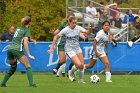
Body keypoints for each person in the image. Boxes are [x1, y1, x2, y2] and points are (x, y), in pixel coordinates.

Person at [48, 16, 92, 83]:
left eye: (75, 23)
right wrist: (52, 48)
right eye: (73, 23)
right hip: (69, 49)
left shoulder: (78, 28)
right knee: (78, 65)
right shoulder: (65, 30)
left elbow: (87, 33)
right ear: (69, 22)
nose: (74, 24)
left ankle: (80, 80)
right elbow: (56, 36)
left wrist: (90, 29)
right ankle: (71, 72)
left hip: (77, 48)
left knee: (82, 66)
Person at [0, 16, 36, 87]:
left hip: (10, 49)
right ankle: (32, 84)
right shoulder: (27, 30)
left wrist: (32, 40)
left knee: (13, 67)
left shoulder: (18, 28)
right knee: (28, 66)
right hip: (17, 49)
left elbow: (23, 38)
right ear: (30, 23)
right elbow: (25, 43)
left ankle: (3, 84)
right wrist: (29, 54)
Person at [49, 13, 75, 77]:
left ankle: (69, 72)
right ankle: (56, 69)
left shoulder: (75, 26)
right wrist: (53, 32)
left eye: (73, 18)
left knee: (74, 60)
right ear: (67, 19)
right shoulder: (63, 25)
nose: (71, 19)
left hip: (71, 45)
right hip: (62, 44)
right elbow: (56, 33)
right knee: (63, 60)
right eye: (70, 18)